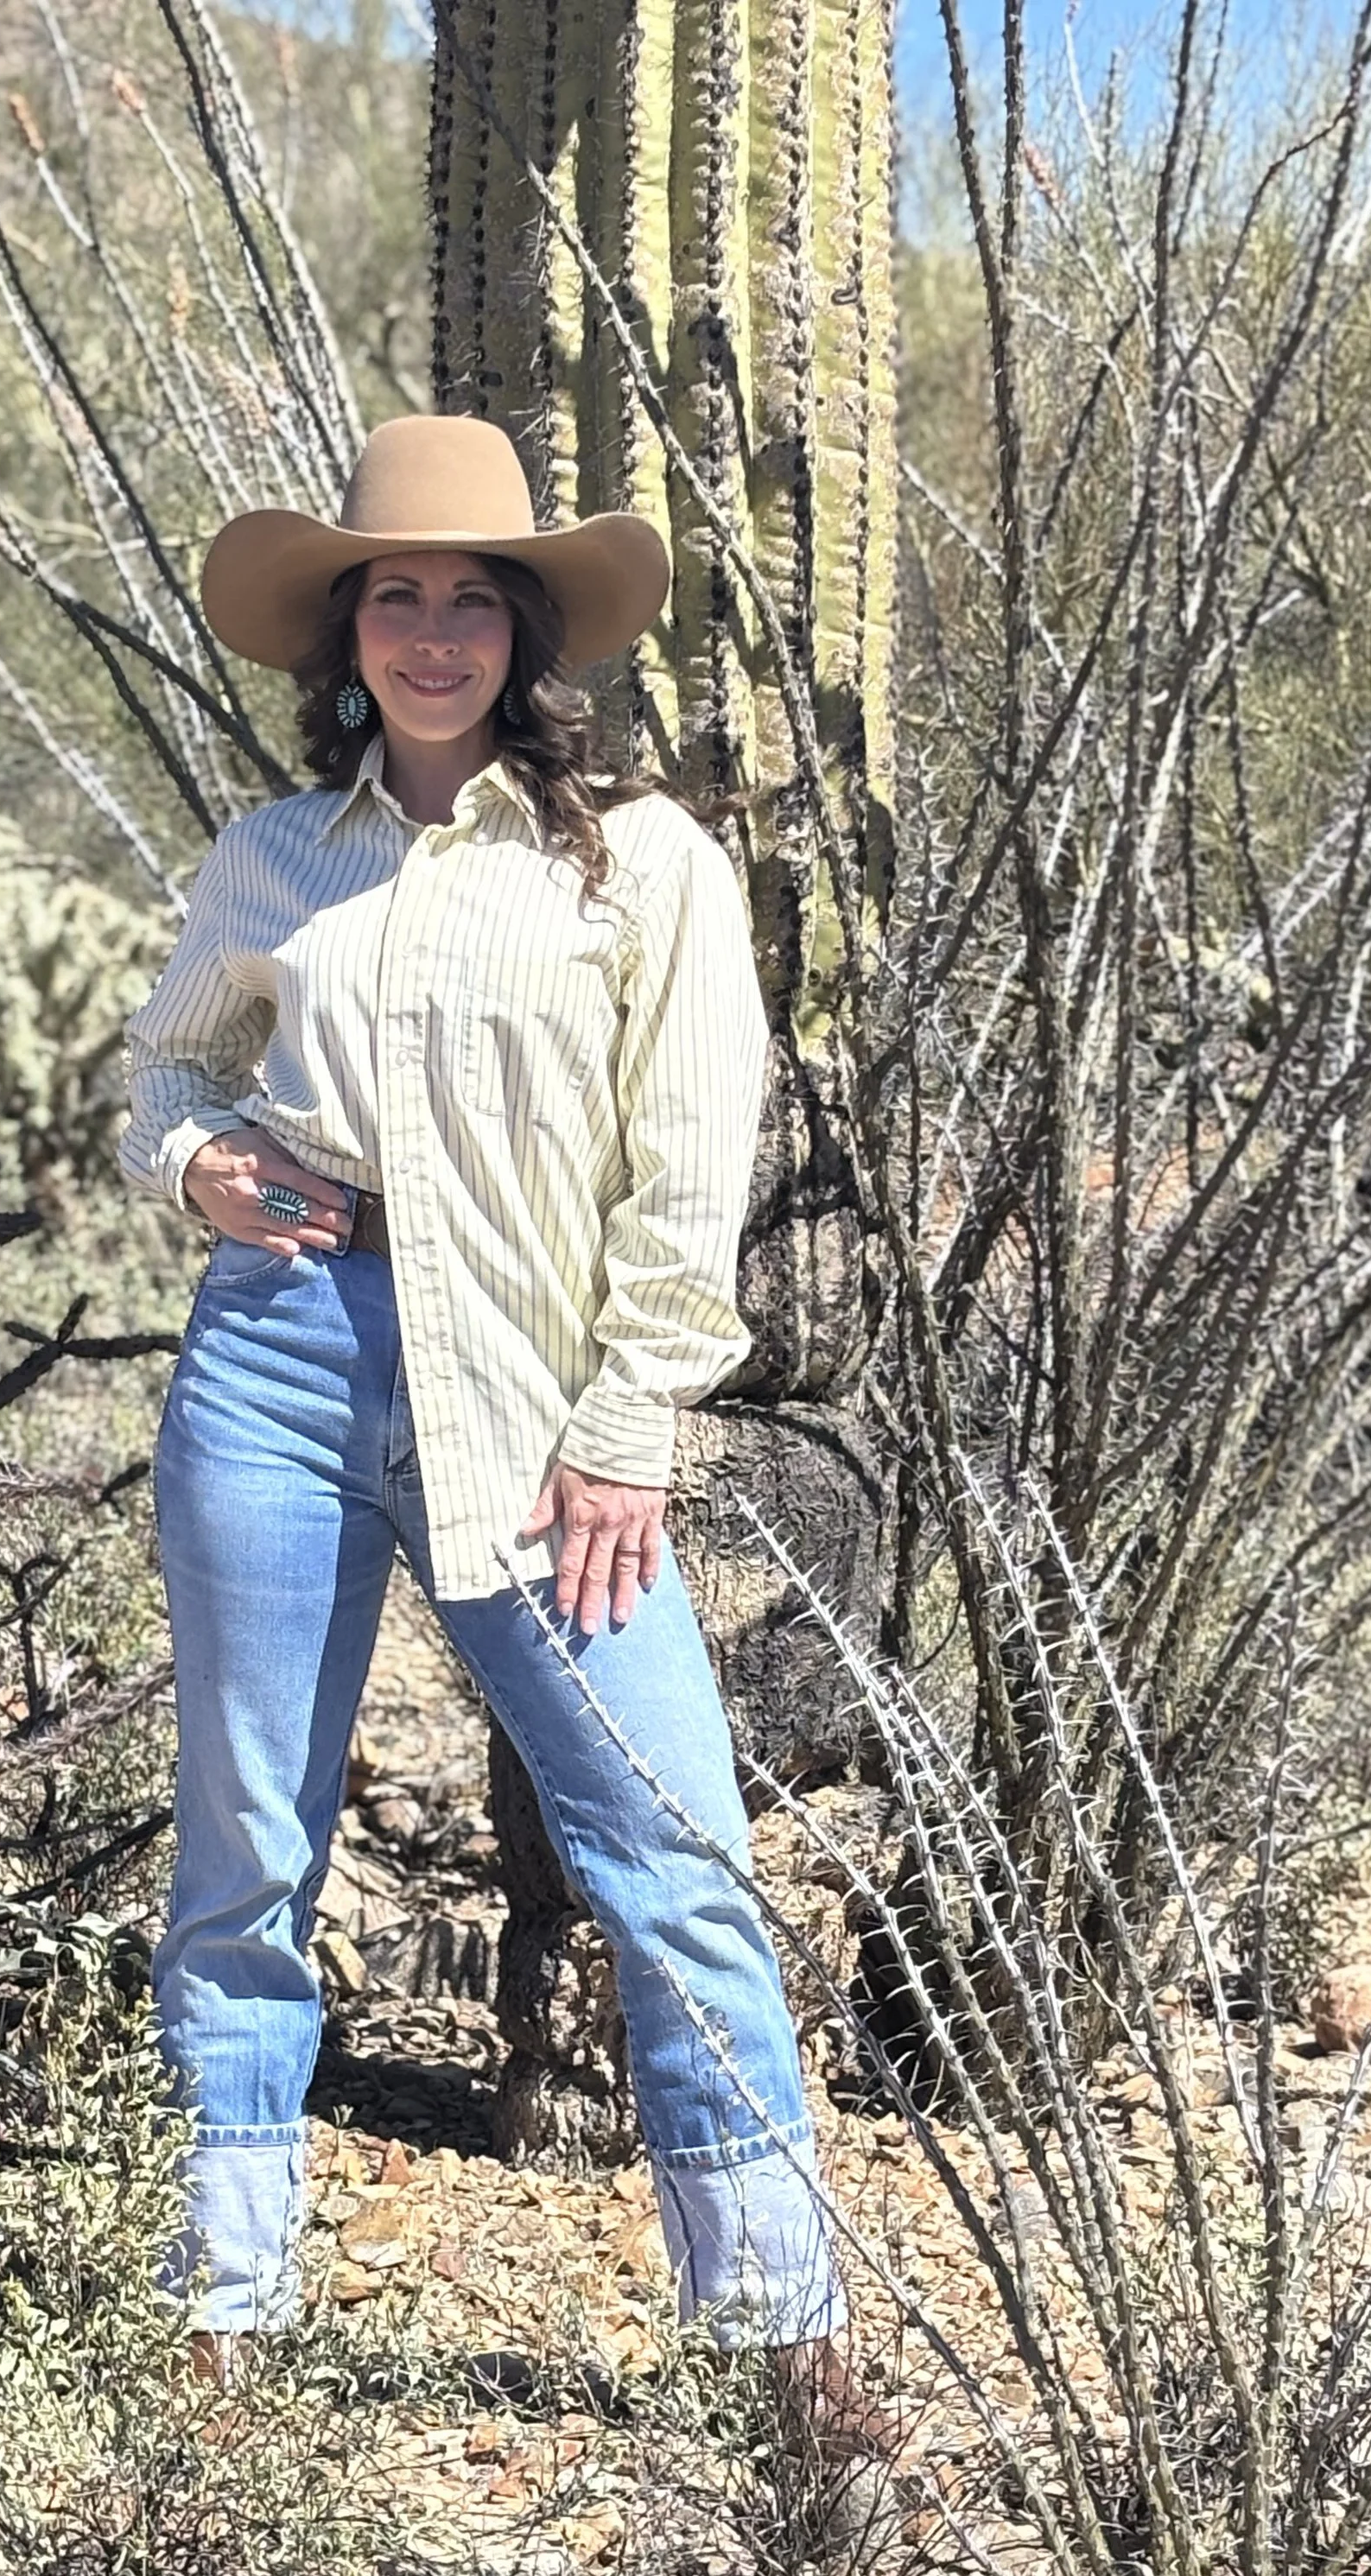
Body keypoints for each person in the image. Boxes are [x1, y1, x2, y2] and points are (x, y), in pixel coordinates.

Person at [120, 414, 879, 2455]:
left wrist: (630, 1424)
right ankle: (222, 2318)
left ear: (527, 630)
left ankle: (781, 2340)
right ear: (344, 629)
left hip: (539, 1405)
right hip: (275, 1361)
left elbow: (685, 1164)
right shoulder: (275, 857)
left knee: (670, 1847)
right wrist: (192, 1159)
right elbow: (164, 1063)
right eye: (396, 592)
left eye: (471, 596)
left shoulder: (639, 862)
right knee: (248, 1848)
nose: (432, 628)